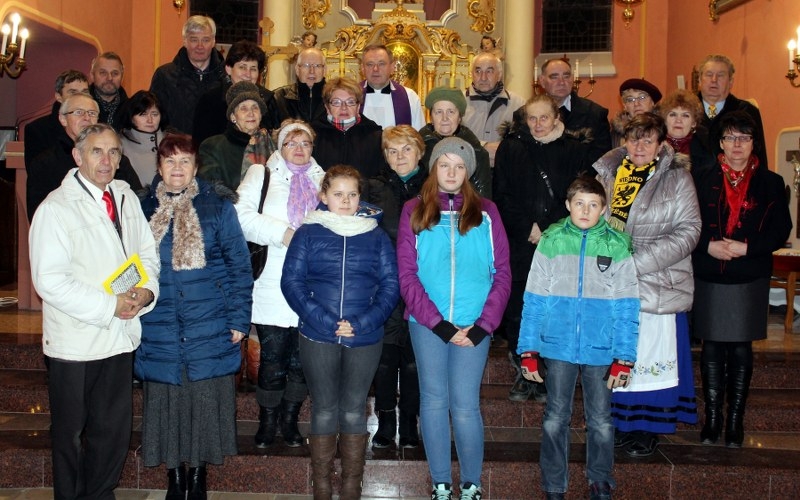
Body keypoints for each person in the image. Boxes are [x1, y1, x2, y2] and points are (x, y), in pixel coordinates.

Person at [29, 123, 159, 499]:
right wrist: (110, 305)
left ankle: (100, 494)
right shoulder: (55, 209)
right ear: (77, 156)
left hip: (119, 337)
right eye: (96, 151)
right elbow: (50, 281)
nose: (106, 160)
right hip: (76, 342)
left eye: (113, 152)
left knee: (112, 431)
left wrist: (146, 292)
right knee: (70, 435)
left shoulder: (125, 197)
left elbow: (147, 254)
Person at [137, 132, 252, 500]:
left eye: (185, 160)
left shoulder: (218, 207)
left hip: (210, 321)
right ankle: (174, 477)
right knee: (167, 400)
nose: (177, 168)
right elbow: (128, 264)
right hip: (159, 321)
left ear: (196, 166)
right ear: (159, 167)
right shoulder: (140, 209)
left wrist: (239, 319)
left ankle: (199, 475)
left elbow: (239, 267)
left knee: (204, 399)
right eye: (170, 161)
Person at [397, 137, 511, 500]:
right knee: (433, 401)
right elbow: (407, 275)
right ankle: (441, 484)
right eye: (444, 165)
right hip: (427, 325)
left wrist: (483, 325)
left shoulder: (487, 212)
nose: (451, 172)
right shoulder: (413, 210)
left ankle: (471, 484)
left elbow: (502, 273)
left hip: (474, 326)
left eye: (459, 166)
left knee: (465, 404)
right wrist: (438, 324)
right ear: (433, 168)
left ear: (468, 172)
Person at [517, 175, 640, 500]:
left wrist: (624, 357)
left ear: (603, 209)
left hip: (601, 348)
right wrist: (528, 350)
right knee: (555, 417)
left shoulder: (617, 245)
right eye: (580, 203)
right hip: (558, 347)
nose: (586, 211)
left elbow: (627, 306)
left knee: (600, 420)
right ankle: (553, 483)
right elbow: (534, 299)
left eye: (593, 205)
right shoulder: (552, 241)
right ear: (568, 205)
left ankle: (600, 479)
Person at [281, 165, 399, 500]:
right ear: (324, 196)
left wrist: (362, 322)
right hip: (318, 333)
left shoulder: (376, 236)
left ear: (360, 197)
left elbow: (391, 286)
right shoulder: (308, 233)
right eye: (338, 194)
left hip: (365, 335)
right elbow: (291, 282)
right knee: (324, 407)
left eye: (352, 194)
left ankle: (350, 487)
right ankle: (321, 487)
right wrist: (323, 318)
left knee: (353, 408)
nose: (345, 201)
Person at [593, 112, 700, 458]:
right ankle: (620, 424)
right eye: (633, 138)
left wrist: (635, 264)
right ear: (624, 141)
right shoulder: (607, 174)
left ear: (660, 144)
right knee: (618, 354)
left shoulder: (677, 178)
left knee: (651, 357)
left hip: (659, 282)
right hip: (612, 284)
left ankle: (648, 427)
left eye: (648, 140)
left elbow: (689, 231)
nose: (639, 146)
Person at [692, 112, 792, 448]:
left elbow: (781, 229)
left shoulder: (771, 182)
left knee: (740, 347)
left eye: (744, 138)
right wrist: (709, 245)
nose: (737, 145)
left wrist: (747, 247)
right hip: (710, 271)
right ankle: (713, 420)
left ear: (753, 143)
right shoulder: (700, 177)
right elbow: (686, 222)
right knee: (711, 347)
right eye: (730, 138)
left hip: (749, 275)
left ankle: (735, 420)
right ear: (720, 143)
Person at [493, 94, 594, 403]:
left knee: (553, 309)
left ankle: (549, 372)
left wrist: (549, 227)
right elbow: (502, 194)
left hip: (559, 242)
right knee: (519, 309)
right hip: (520, 241)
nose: (537, 124)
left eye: (544, 118)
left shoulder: (574, 150)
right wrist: (528, 227)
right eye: (532, 118)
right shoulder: (511, 148)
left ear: (556, 118)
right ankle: (524, 372)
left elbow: (579, 195)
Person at [235, 120, 325, 449]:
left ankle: (289, 421)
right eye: (292, 143)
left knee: (301, 361)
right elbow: (240, 216)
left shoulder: (324, 180)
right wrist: (284, 234)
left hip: (312, 284)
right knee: (273, 358)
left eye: (306, 143)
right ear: (280, 146)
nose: (299, 149)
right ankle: (267, 420)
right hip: (271, 281)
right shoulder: (261, 174)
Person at [365, 125, 427, 449]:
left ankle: (410, 421)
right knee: (386, 357)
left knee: (415, 358)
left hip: (423, 283)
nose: (400, 156)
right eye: (393, 150)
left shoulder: (433, 187)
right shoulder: (373, 187)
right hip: (384, 282)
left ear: (419, 152)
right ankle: (386, 419)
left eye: (406, 149)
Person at [26, 93, 142, 222]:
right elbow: (40, 215)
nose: (86, 118)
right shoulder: (44, 163)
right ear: (63, 119)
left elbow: (138, 202)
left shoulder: (116, 160)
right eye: (78, 112)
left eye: (92, 113)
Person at [193, 40, 280, 145]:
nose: (248, 74)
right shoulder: (211, 100)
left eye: (253, 69)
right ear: (228, 69)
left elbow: (276, 139)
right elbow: (201, 143)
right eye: (242, 67)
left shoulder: (267, 99)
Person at [150, 15, 225, 134]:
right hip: (176, 144)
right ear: (185, 41)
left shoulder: (226, 76)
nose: (200, 46)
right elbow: (154, 117)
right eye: (194, 40)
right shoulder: (164, 76)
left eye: (206, 40)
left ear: (213, 42)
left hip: (215, 145)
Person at [419, 86, 493, 198]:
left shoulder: (476, 151)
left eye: (451, 112)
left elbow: (482, 197)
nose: (444, 118)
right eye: (438, 112)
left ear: (459, 117)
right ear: (431, 117)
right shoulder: (418, 148)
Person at [697, 54, 768, 169]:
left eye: (720, 75)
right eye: (709, 74)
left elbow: (759, 156)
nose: (714, 80)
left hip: (735, 179)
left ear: (731, 82)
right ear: (700, 80)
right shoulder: (683, 112)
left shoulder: (747, 111)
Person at [199, 81, 269, 191]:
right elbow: (211, 188)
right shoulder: (213, 147)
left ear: (260, 114)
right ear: (233, 116)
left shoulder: (273, 145)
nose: (251, 113)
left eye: (255, 107)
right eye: (243, 108)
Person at [539, 58, 612, 162]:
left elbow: (603, 160)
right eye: (554, 77)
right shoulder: (526, 115)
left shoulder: (595, 113)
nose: (561, 82)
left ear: (572, 79)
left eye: (566, 76)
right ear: (542, 81)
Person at [311, 77, 385, 178]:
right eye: (337, 102)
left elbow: (383, 175)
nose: (344, 108)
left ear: (358, 107)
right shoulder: (312, 135)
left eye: (350, 102)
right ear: (327, 107)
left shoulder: (376, 136)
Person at [462, 52, 525, 167]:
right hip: (467, 170)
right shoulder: (458, 102)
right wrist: (483, 146)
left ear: (499, 75)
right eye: (478, 71)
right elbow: (449, 137)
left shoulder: (518, 104)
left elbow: (525, 141)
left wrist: (503, 149)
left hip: (505, 169)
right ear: (471, 74)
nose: (483, 78)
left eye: (489, 71)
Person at [24, 69, 89, 171]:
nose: (80, 97)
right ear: (59, 97)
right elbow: (37, 173)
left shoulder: (96, 126)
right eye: (73, 92)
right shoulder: (37, 130)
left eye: (85, 92)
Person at [358, 44, 425, 130]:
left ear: (392, 67)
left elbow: (418, 134)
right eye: (370, 64)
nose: (375, 69)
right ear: (362, 68)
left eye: (381, 64)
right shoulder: (351, 95)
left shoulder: (410, 97)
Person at [116, 90, 168, 186]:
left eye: (155, 114)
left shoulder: (174, 141)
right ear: (131, 117)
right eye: (143, 114)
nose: (150, 120)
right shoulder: (118, 143)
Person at [659, 89, 716, 174]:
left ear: (694, 123)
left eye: (685, 115)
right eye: (673, 114)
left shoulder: (706, 154)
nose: (678, 120)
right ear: (665, 120)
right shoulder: (652, 146)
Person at [274, 47, 328, 124]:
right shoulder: (279, 98)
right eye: (306, 65)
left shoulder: (335, 97)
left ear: (324, 70)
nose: (312, 71)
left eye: (317, 66)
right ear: (297, 70)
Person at [610, 78, 661, 147]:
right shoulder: (616, 133)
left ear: (653, 102)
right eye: (630, 100)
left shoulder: (663, 128)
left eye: (642, 97)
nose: (636, 104)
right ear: (625, 106)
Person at [89, 51, 128, 127]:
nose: (109, 78)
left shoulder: (131, 110)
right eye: (103, 73)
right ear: (92, 76)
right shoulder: (81, 108)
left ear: (122, 77)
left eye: (115, 73)